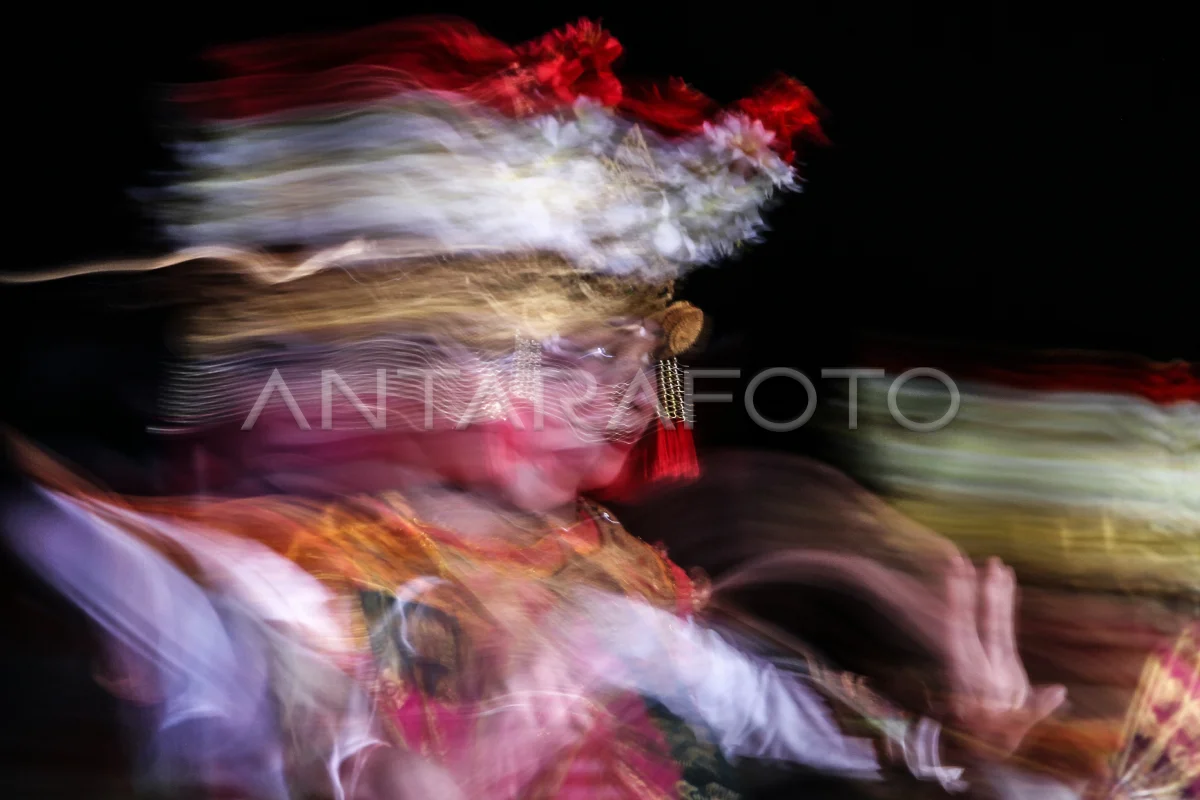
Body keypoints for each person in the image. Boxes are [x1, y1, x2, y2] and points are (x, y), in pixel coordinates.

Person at [3, 17, 1067, 799]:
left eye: (648, 360)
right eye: (583, 355)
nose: (629, 397)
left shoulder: (621, 585)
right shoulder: (287, 578)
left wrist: (971, 745)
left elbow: (837, 734)